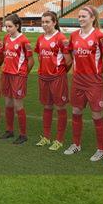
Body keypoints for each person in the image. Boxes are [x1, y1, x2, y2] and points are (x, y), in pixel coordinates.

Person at [64, 5, 103, 161]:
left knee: (96, 115)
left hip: (93, 82)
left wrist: (97, 72)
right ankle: (76, 144)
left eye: (84, 16)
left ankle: (101, 149)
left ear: (92, 18)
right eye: (79, 16)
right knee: (76, 112)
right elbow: (70, 53)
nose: (81, 19)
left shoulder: (100, 37)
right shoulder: (74, 35)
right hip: (78, 80)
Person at [34, 11, 71, 151]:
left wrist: (59, 74)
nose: (44, 25)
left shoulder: (61, 38)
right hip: (43, 78)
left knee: (60, 107)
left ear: (54, 22)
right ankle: (46, 137)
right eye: (42, 22)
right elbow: (40, 57)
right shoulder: (40, 38)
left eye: (47, 22)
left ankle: (59, 140)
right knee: (47, 107)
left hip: (57, 78)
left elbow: (68, 61)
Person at [1, 14, 34, 144]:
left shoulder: (24, 41)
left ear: (17, 26)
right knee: (8, 103)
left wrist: (23, 74)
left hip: (18, 76)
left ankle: (23, 134)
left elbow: (30, 61)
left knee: (18, 105)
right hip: (7, 74)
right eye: (6, 26)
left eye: (10, 26)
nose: (7, 29)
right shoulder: (6, 38)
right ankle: (9, 130)